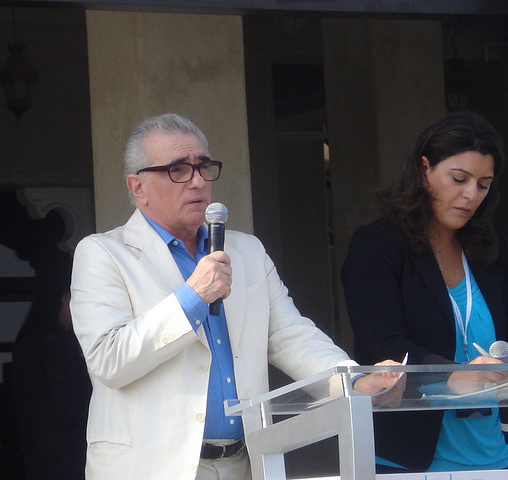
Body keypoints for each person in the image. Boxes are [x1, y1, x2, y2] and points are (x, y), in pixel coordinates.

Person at [70, 112, 400, 480]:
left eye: (203, 167)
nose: (197, 181)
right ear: (138, 187)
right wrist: (193, 296)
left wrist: (352, 381)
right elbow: (109, 359)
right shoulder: (104, 253)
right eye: (178, 169)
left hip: (244, 462)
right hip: (151, 467)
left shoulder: (247, 251)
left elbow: (291, 335)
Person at [342, 110, 508, 472]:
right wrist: (452, 375)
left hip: (494, 454)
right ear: (423, 169)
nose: (471, 195)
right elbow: (382, 345)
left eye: (483, 184)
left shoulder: (488, 248)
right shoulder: (378, 244)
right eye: (459, 178)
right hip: (410, 460)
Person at [12, 288, 92, 480]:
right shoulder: (56, 343)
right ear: (65, 298)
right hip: (66, 455)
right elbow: (69, 406)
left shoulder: (28, 337)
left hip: (38, 452)